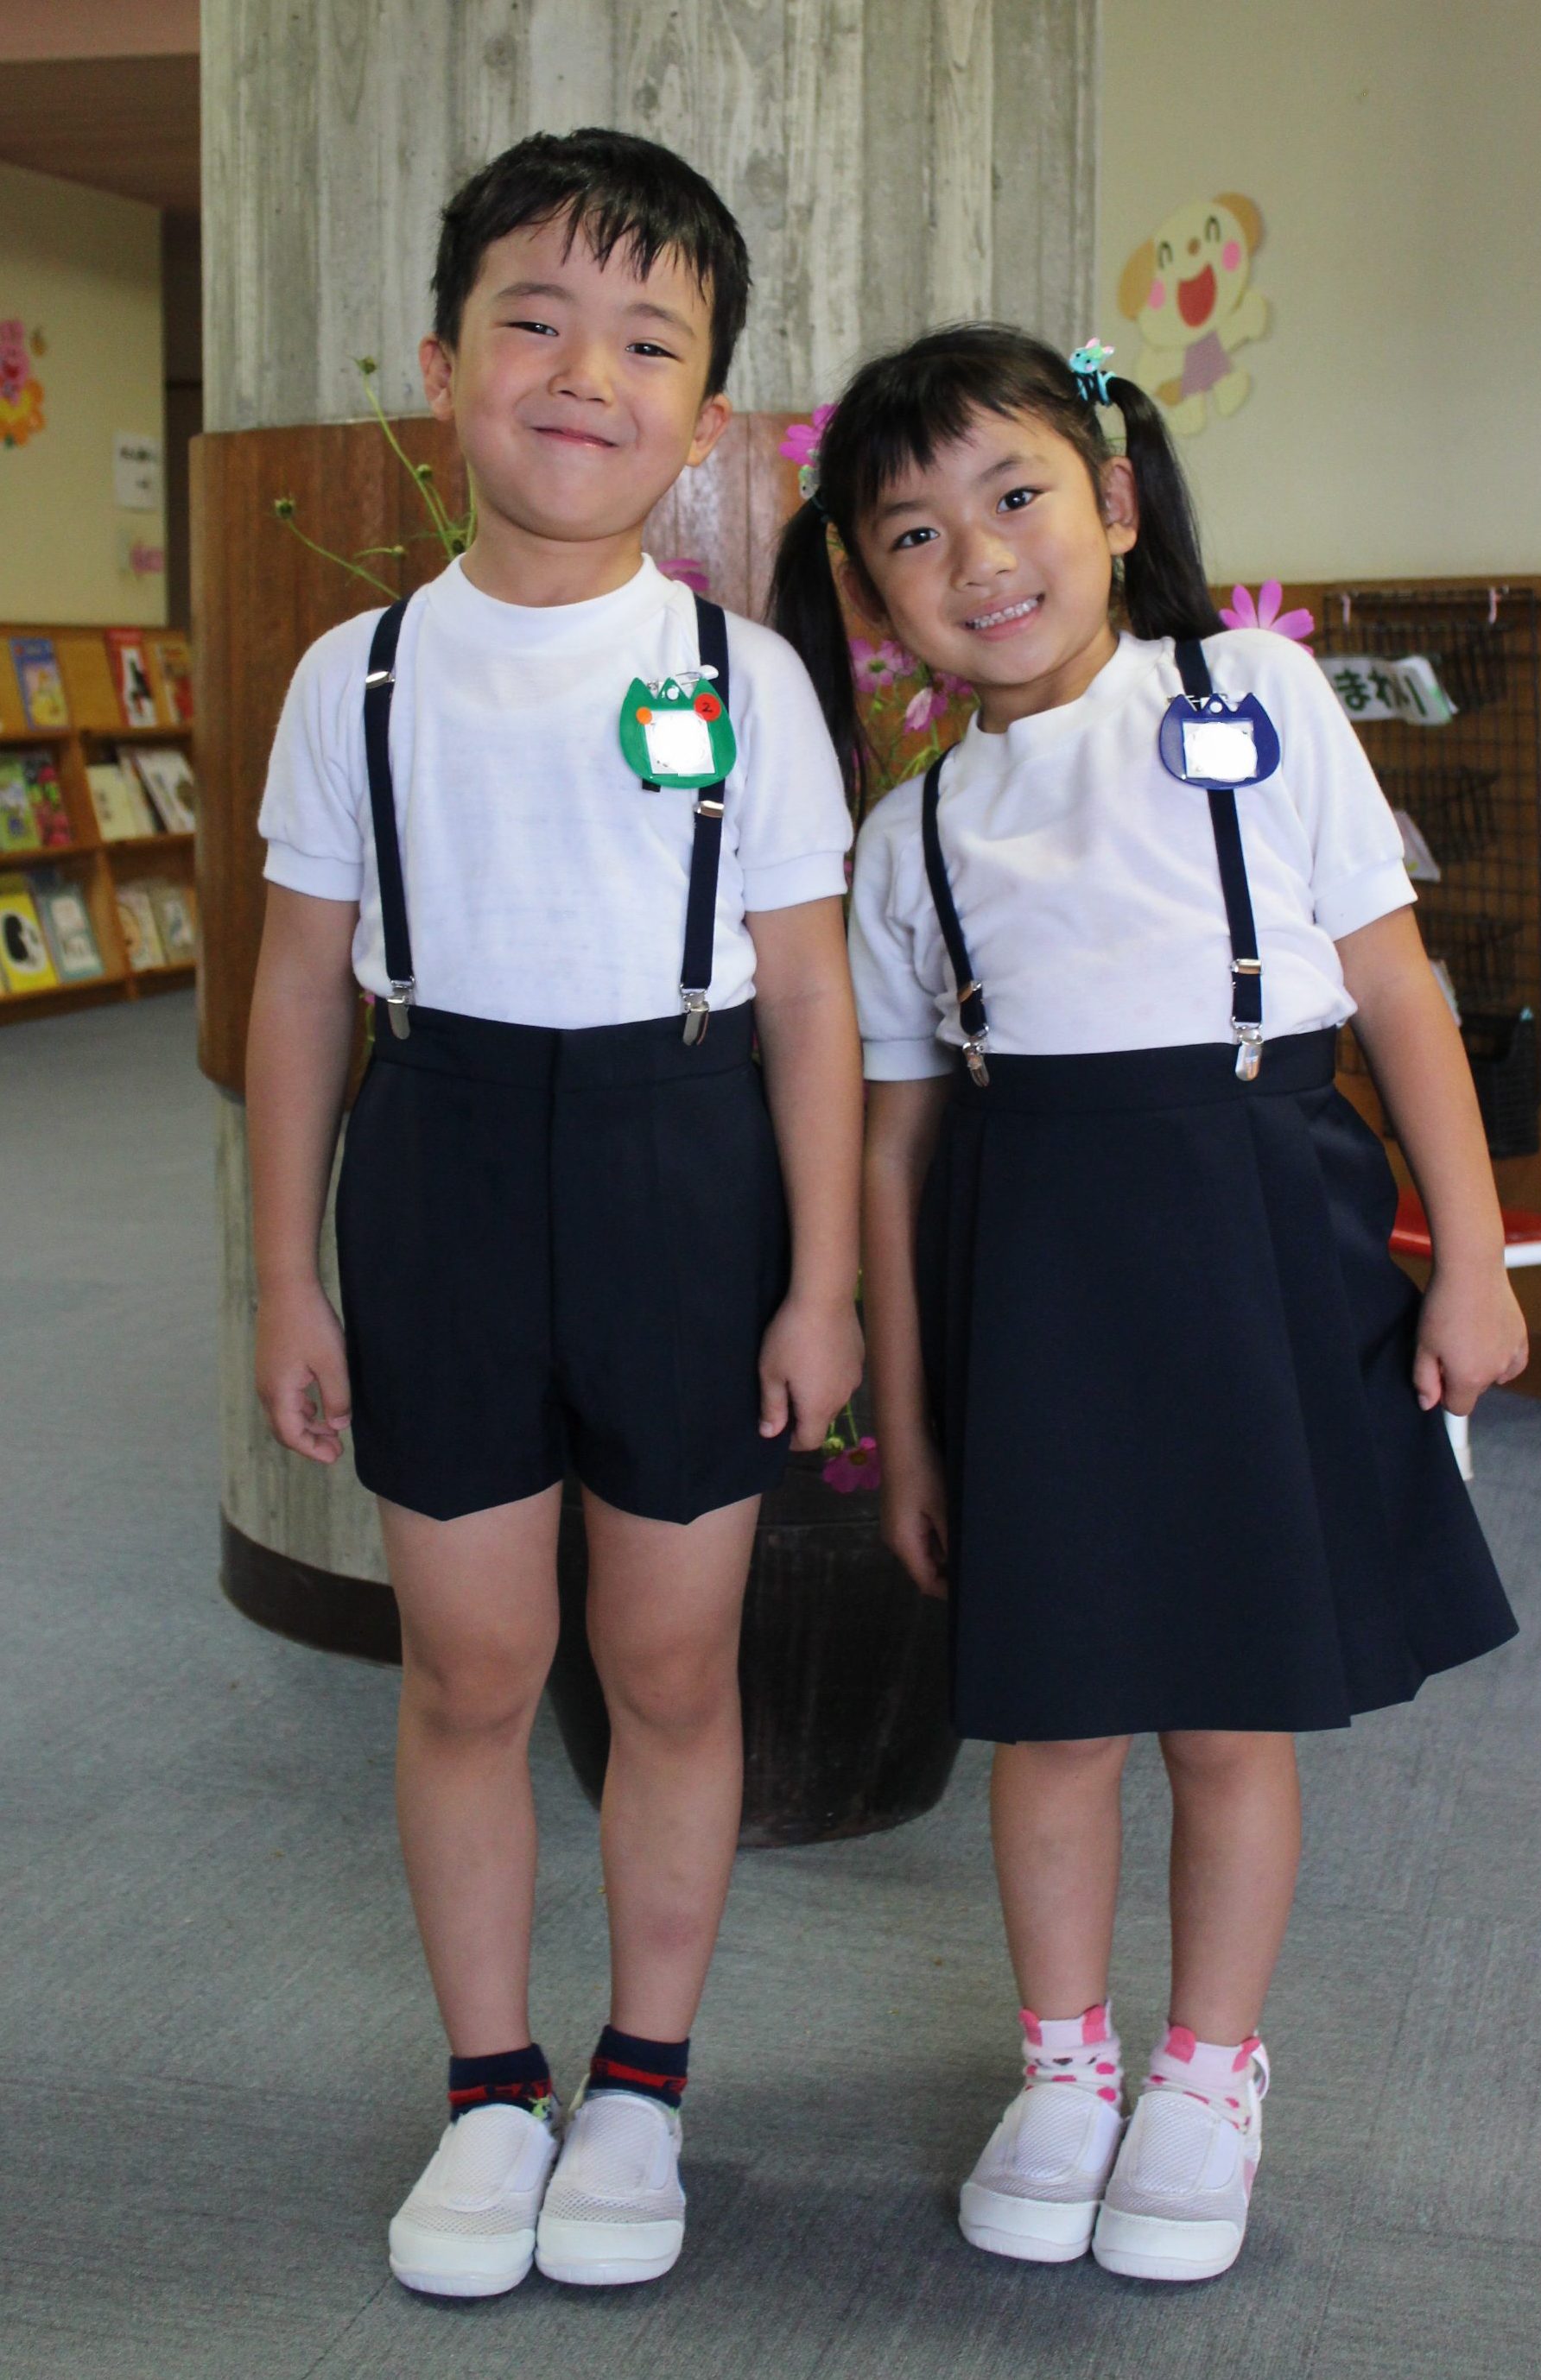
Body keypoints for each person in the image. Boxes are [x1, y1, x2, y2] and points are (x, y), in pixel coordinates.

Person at [770, 323, 1523, 2284]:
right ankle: (1064, 2062)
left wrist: (1477, 1254)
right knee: (1056, 1714)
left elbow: (1394, 984)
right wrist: (911, 1429)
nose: (978, 556)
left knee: (1223, 1706)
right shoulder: (906, 831)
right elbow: (895, 1156)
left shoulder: (1253, 692)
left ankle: (1204, 2070)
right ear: (871, 592)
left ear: (1110, 500)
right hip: (1032, 1279)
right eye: (913, 532)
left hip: (1256, 1237)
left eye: (1014, 494)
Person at [245, 128, 862, 2298]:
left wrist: (822, 1278)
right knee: (472, 1662)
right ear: (443, 364)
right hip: (443, 1165)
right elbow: (305, 981)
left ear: (702, 419)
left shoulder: (749, 676)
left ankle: (642, 2086)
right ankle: (489, 2085)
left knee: (671, 1663)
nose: (582, 372)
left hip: (683, 1172)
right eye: (533, 317)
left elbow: (807, 998)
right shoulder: (360, 675)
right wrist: (285, 1277)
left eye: (646, 340)